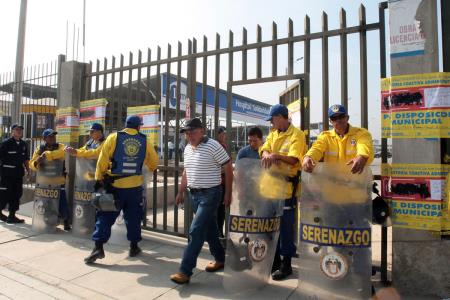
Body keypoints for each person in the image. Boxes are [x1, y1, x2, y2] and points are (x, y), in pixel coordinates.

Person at [84, 115, 158, 264]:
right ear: (139, 127)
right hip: (135, 187)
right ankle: (134, 246)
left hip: (115, 187)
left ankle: (98, 247)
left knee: (105, 216)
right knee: (133, 218)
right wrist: (148, 167)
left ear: (126, 125)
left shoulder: (113, 137)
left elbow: (102, 160)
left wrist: (99, 178)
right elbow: (154, 162)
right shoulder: (145, 140)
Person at [170, 118, 233, 284]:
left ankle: (185, 271)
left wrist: (228, 193)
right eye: (187, 132)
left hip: (211, 194)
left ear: (202, 131)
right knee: (210, 229)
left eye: (193, 131)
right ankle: (220, 258)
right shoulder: (187, 149)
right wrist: (181, 191)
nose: (189, 135)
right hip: (195, 195)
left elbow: (228, 167)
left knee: (196, 230)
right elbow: (186, 172)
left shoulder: (213, 145)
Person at [260, 103, 306, 281]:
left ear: (280, 117)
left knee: (286, 229)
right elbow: (264, 149)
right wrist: (266, 154)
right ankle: (274, 260)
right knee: (270, 226)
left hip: (286, 190)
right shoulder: (273, 134)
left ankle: (286, 263)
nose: (271, 123)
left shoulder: (297, 135)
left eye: (272, 120)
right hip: (269, 188)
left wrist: (276, 156)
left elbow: (294, 159)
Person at [302, 104, 374, 174]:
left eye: (341, 116)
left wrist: (361, 157)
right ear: (330, 121)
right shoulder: (325, 136)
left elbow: (364, 146)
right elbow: (317, 148)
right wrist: (308, 157)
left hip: (355, 182)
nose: (338, 120)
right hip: (333, 183)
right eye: (334, 118)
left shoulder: (361, 134)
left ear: (347, 118)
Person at [29, 129, 70, 230]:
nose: (53, 138)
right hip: (45, 182)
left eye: (54, 136)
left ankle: (65, 220)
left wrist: (47, 155)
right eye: (50, 136)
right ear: (44, 139)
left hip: (58, 181)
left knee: (62, 205)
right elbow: (31, 164)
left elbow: (63, 153)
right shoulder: (40, 148)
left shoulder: (60, 146)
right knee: (46, 205)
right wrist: (36, 162)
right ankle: (49, 222)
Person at [0, 124, 30, 223]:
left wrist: (29, 170)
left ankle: (12, 216)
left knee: (17, 194)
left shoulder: (23, 144)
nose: (19, 131)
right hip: (6, 174)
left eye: (20, 130)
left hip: (17, 174)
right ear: (12, 131)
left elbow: (26, 159)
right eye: (17, 129)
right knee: (4, 194)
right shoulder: (6, 143)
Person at [216, 126, 227, 238]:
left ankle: (219, 231)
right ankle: (218, 232)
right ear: (218, 135)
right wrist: (228, 169)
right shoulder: (217, 147)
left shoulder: (223, 146)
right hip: (218, 183)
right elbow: (218, 167)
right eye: (223, 134)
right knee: (219, 211)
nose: (225, 136)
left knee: (221, 210)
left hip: (222, 183)